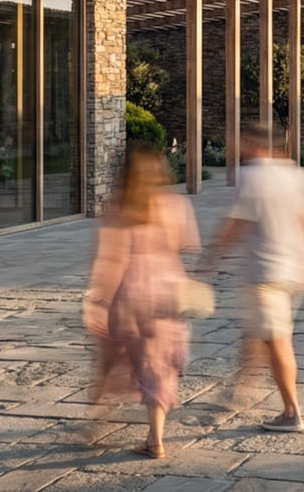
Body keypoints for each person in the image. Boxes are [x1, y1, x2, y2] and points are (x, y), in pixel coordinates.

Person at [203, 125, 304, 433]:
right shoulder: (302, 177)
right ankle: (244, 388)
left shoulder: (251, 176)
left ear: (257, 145)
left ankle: (291, 412)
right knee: (259, 331)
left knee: (276, 340)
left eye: (245, 143)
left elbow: (234, 225)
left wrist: (211, 257)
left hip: (265, 273)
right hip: (295, 273)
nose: (241, 149)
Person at [83, 144, 201, 459]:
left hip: (130, 295)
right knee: (159, 367)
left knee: (111, 359)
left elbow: (112, 261)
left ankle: (97, 418)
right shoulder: (177, 205)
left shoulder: (120, 209)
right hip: (168, 293)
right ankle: (156, 438)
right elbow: (187, 245)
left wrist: (97, 301)